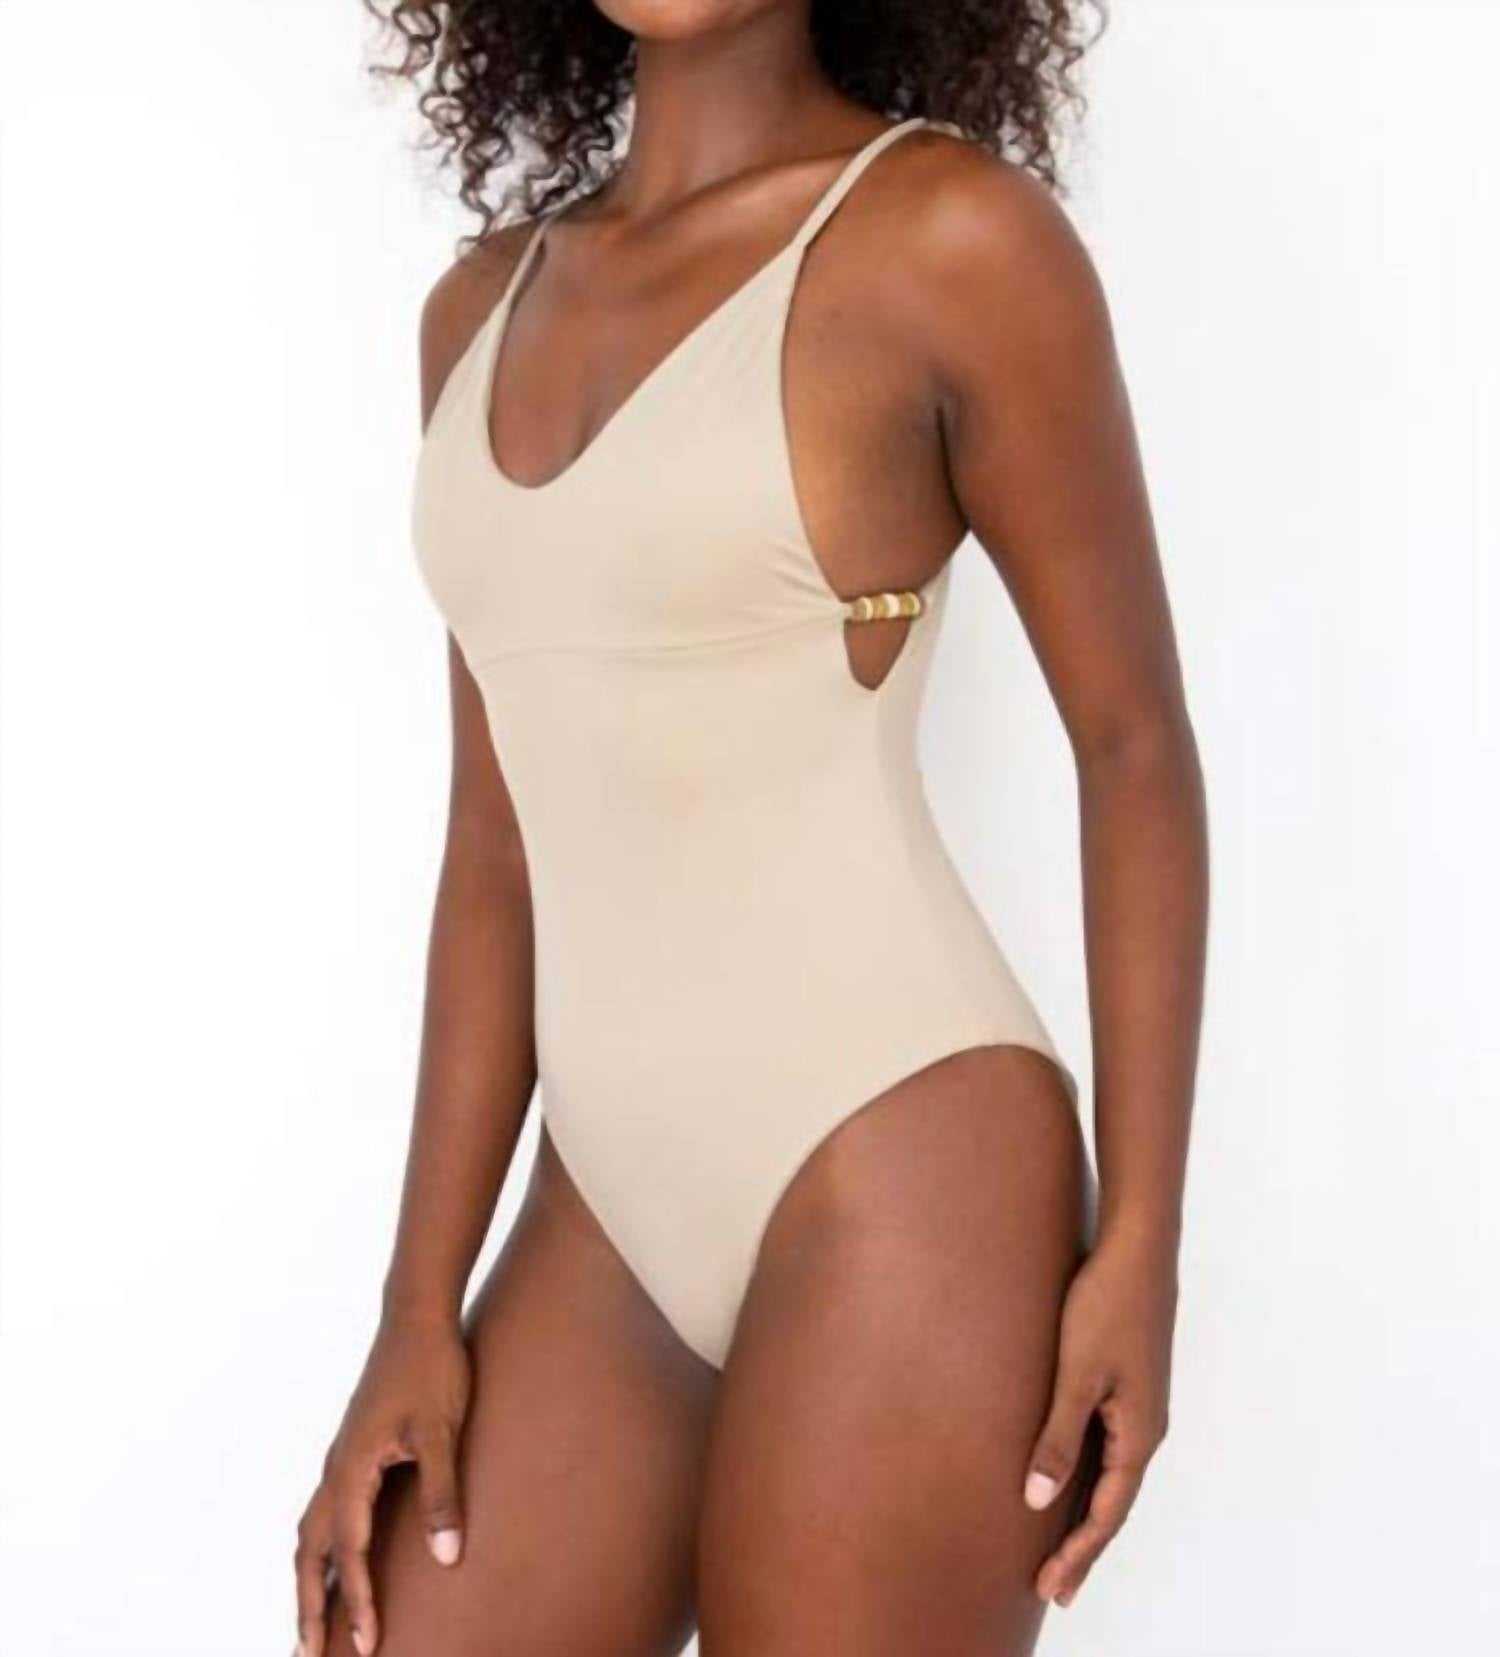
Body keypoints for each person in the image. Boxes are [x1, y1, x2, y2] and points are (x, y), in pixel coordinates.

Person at [293, 2, 1207, 1653]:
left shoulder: (951, 244)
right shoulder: (476, 311)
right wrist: (414, 1302)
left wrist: (1143, 1238)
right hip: (605, 1207)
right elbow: (497, 846)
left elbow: (1132, 745)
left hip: (904, 1168)